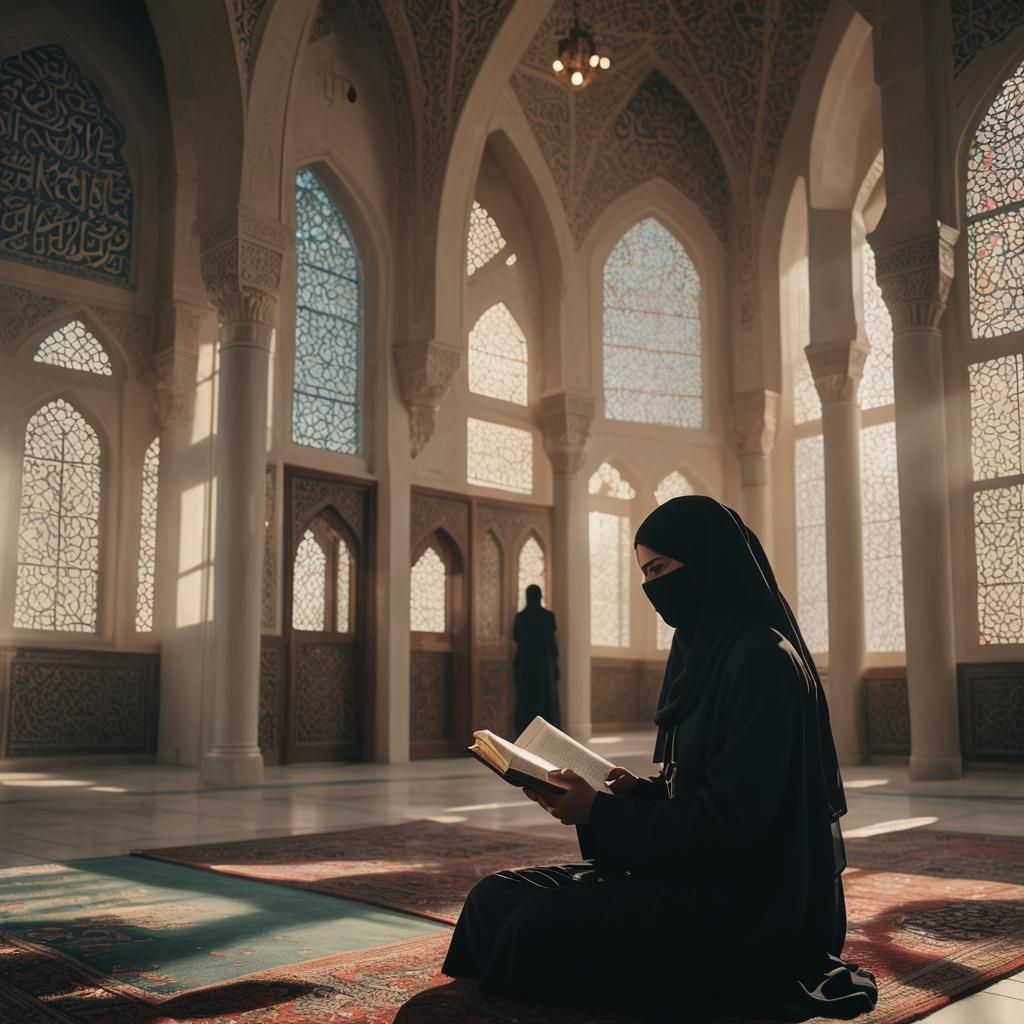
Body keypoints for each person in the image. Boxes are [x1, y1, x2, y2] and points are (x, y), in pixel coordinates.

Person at [442, 496, 878, 1021]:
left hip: (749, 905)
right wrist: (636, 791)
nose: (652, 588)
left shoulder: (762, 661)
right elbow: (701, 788)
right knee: (496, 898)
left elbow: (736, 824)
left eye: (660, 569)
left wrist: (598, 813)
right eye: (645, 573)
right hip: (696, 868)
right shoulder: (703, 650)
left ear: (705, 561)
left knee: (538, 926)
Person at [512, 584, 561, 734]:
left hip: (525, 666)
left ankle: (525, 735)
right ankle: (547, 735)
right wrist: (555, 665)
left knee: (526, 702)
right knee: (546, 701)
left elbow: (516, 638)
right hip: (544, 667)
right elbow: (552, 644)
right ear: (540, 596)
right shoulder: (548, 617)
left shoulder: (520, 617)